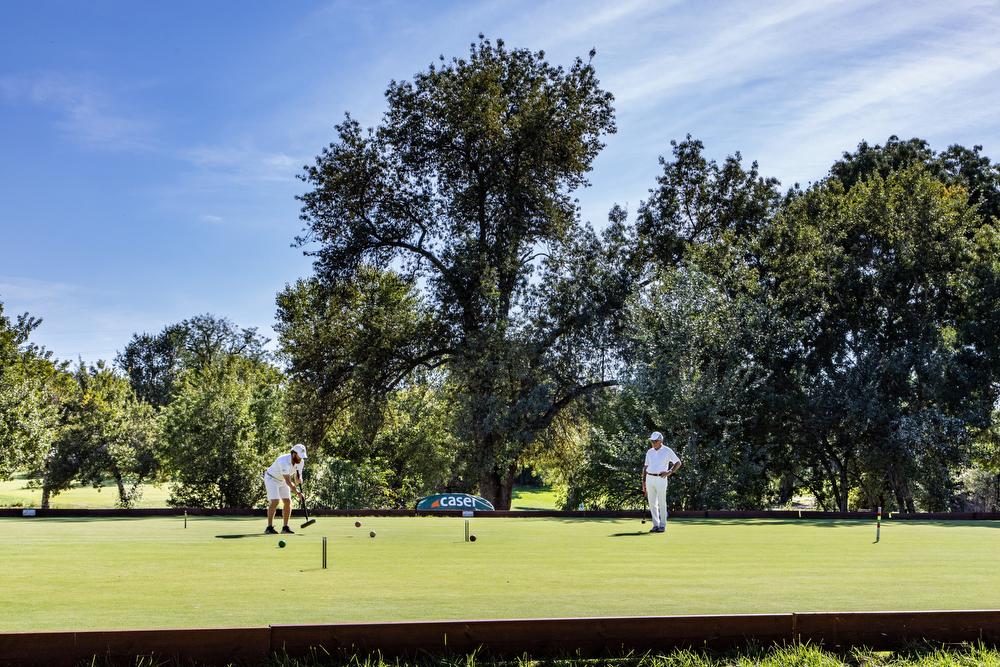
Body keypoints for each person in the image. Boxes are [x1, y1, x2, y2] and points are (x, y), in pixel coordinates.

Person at [263, 443, 308, 534]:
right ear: (294, 454)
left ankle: (285, 527)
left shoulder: (301, 461)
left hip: (282, 480)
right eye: (299, 456)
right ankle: (269, 527)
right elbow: (288, 481)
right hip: (272, 478)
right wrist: (298, 493)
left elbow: (297, 477)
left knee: (287, 501)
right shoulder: (283, 461)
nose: (301, 458)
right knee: (275, 501)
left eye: (302, 456)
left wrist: (299, 479)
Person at [641, 431, 681, 533]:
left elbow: (678, 462)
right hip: (650, 478)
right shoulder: (649, 452)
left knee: (662, 502)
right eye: (652, 441)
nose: (653, 443)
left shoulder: (667, 450)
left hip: (661, 479)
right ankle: (655, 525)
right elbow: (645, 467)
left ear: (660, 441)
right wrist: (643, 481)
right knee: (652, 503)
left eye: (655, 441)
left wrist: (670, 471)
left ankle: (662, 525)